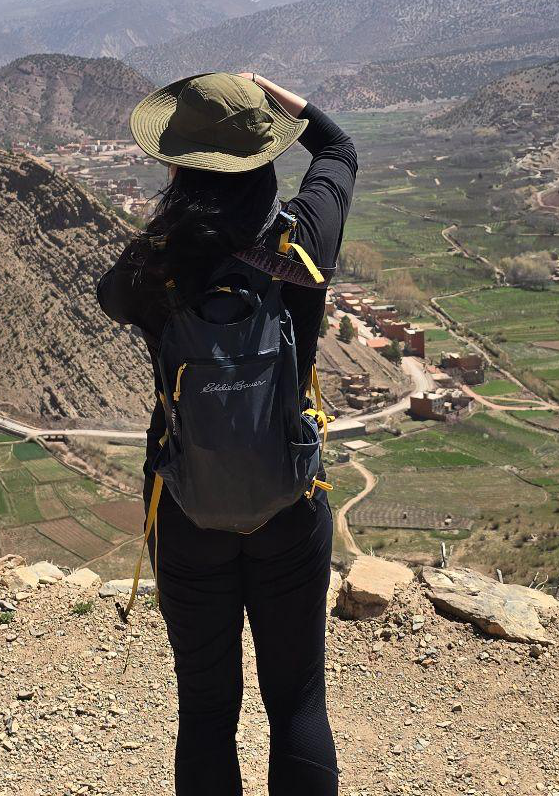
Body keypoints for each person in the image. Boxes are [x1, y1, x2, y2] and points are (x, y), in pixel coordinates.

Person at [97, 71, 356, 797]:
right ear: (262, 155)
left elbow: (107, 296)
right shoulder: (303, 239)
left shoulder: (155, 261)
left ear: (179, 165)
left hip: (182, 508)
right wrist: (281, 99)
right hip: (290, 500)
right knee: (298, 701)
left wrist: (166, 233)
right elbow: (339, 147)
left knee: (207, 710)